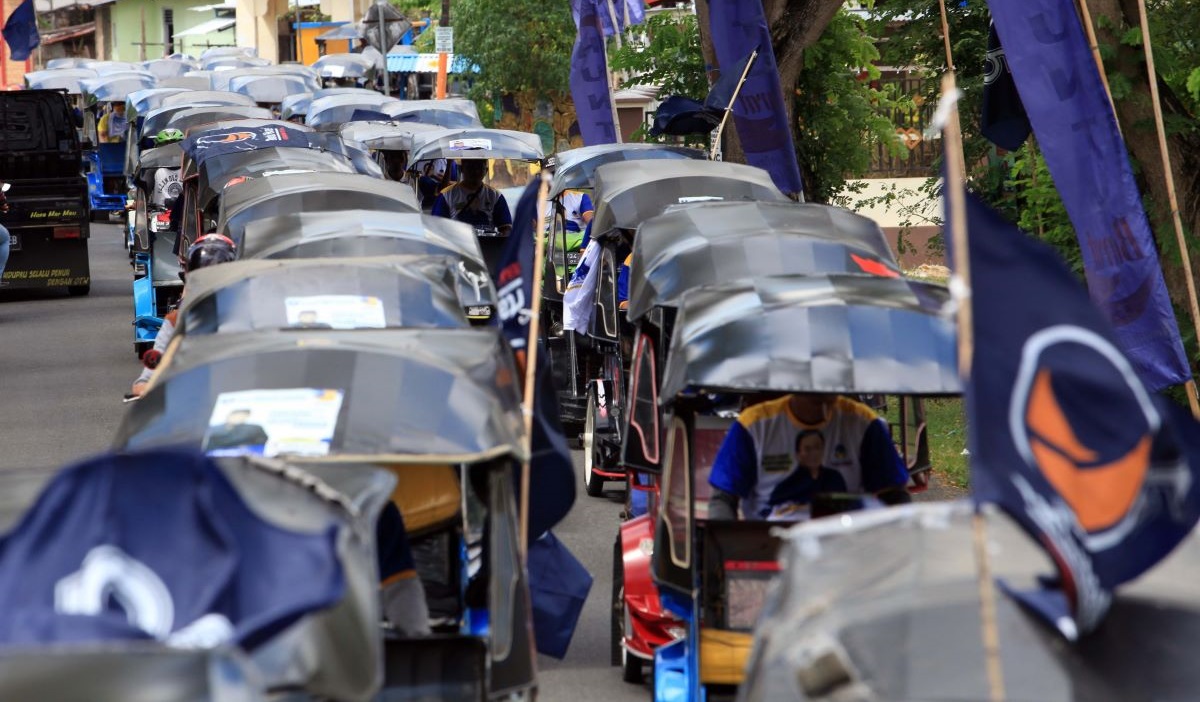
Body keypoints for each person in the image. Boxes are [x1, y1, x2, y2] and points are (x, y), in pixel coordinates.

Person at [708, 394, 912, 520]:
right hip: (772, 546)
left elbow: (893, 494)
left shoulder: (863, 423)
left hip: (846, 543)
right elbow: (723, 497)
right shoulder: (754, 425)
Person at [129, 234, 238, 397]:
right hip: (192, 399)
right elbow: (154, 366)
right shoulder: (175, 321)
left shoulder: (247, 314)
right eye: (201, 277)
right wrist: (144, 385)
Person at [762, 430, 848, 520]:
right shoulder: (786, 486)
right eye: (808, 449)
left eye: (817, 447)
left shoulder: (835, 478)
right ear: (798, 454)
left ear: (823, 450)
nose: (814, 453)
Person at [430, 160, 513, 235]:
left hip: (488, 247)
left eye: (479, 167)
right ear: (462, 169)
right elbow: (435, 226)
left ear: (486, 171)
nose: (475, 171)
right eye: (470, 167)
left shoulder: (495, 196)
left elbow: (506, 228)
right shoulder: (446, 195)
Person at [204, 409, 269, 452]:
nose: (238, 418)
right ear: (229, 416)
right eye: (236, 416)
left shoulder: (254, 428)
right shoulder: (213, 428)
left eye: (242, 416)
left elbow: (262, 441)